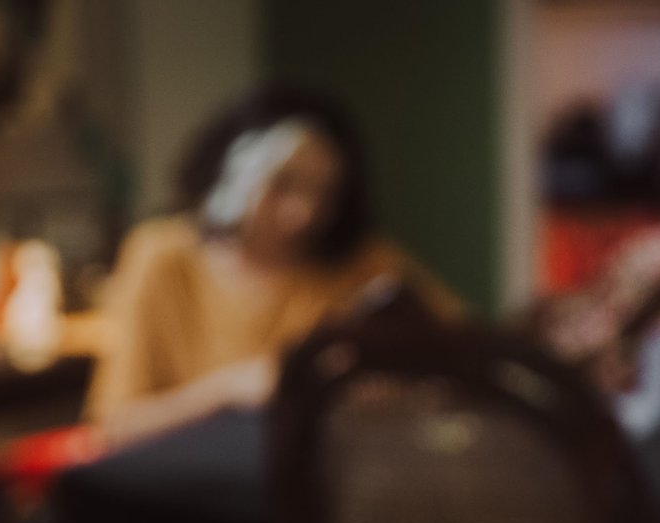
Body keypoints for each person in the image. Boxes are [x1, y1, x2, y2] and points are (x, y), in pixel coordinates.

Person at [87, 87, 461, 448]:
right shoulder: (161, 255)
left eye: (325, 193)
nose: (304, 213)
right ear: (227, 172)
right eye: (283, 184)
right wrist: (229, 389)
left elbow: (464, 355)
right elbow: (115, 427)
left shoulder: (365, 262)